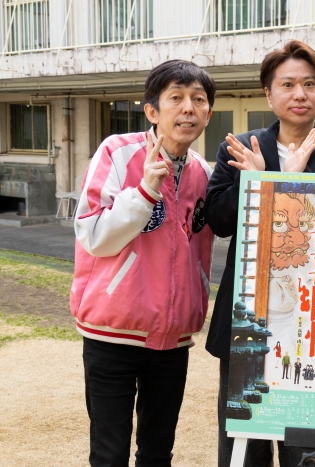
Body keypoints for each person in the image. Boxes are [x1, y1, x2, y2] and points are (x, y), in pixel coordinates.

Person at [203, 39, 315, 467]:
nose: (300, 94)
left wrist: (282, 186)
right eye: (288, 84)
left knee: (305, 452)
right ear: (268, 93)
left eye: (310, 84)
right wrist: (258, 183)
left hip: (313, 328)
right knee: (244, 448)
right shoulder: (240, 149)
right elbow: (218, 220)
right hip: (248, 323)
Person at [71, 60, 215, 466]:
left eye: (198, 100)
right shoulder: (117, 152)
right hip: (111, 332)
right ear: (152, 110)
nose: (188, 108)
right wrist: (145, 191)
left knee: (157, 452)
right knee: (109, 453)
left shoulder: (203, 172)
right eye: (176, 98)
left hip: (173, 337)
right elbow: (92, 235)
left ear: (208, 114)